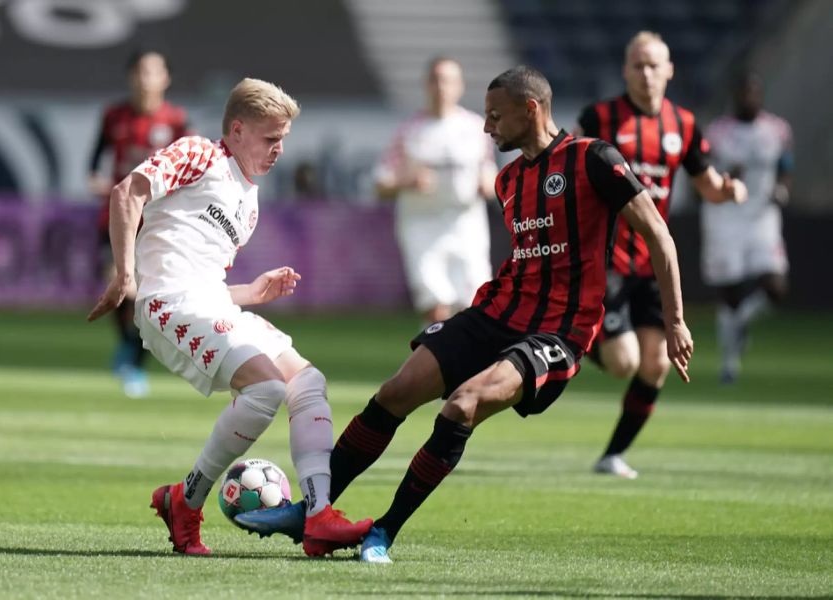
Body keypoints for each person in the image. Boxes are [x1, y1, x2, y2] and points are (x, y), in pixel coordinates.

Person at [233, 66, 694, 564]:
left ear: (530, 110)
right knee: (394, 393)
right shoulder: (510, 179)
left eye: (496, 116)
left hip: (557, 331)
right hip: (495, 312)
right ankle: (313, 513)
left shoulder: (594, 159)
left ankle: (383, 532)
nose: (486, 126)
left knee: (462, 405)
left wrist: (673, 322)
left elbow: (658, 235)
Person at [87, 78, 372, 556]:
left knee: (307, 382)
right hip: (167, 305)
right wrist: (124, 275)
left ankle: (319, 514)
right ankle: (187, 501)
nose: (280, 149)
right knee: (266, 388)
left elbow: (207, 281)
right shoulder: (200, 153)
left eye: (283, 139)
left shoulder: (250, 200)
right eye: (270, 138)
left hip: (209, 302)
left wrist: (252, 291)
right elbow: (125, 192)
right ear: (237, 130)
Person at [576, 31, 746, 479]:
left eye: (654, 65)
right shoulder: (600, 117)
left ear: (669, 70)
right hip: (609, 259)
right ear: (625, 70)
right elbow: (571, 166)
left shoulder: (684, 125)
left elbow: (706, 184)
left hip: (652, 264)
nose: (646, 73)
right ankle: (576, 337)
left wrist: (728, 190)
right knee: (624, 362)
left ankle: (612, 455)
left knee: (655, 365)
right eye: (638, 64)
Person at [88, 50, 190, 398]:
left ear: (166, 78)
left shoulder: (176, 121)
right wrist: (97, 181)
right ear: (131, 76)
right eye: (140, 71)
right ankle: (128, 353)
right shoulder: (113, 116)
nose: (146, 78)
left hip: (157, 224)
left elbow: (191, 169)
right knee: (119, 289)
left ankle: (133, 360)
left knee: (150, 299)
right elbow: (95, 159)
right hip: (116, 218)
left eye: (153, 71)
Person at [375, 56, 498, 325]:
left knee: (473, 307)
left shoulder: (476, 128)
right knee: (436, 308)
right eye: (436, 80)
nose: (442, 87)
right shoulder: (410, 131)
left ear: (460, 86)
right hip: (422, 227)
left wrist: (489, 185)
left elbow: (489, 173)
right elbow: (380, 184)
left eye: (449, 80)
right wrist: (407, 181)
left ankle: (466, 366)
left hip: (466, 227)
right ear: (427, 85)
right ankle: (435, 365)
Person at [701, 72, 793, 383]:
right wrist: (725, 173)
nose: (749, 98)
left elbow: (785, 165)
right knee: (730, 293)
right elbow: (701, 169)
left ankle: (740, 322)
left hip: (761, 217)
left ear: (760, 95)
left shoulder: (776, 130)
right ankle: (729, 364)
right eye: (743, 93)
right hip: (725, 216)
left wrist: (782, 188)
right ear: (735, 96)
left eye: (753, 93)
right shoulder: (717, 132)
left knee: (776, 287)